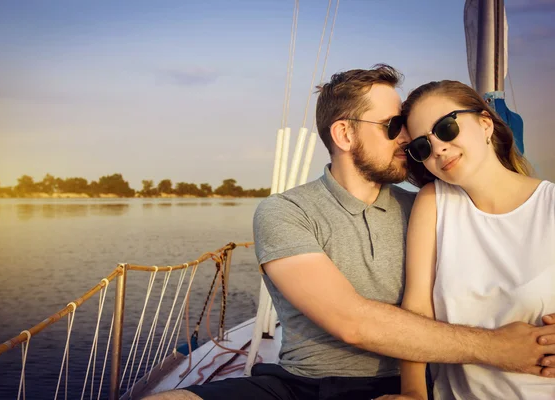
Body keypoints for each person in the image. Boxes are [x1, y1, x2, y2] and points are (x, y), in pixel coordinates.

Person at [144, 65, 555, 400]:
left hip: (406, 383)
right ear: (344, 134)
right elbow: (352, 321)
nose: (411, 139)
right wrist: (499, 347)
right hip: (303, 385)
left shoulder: (427, 207)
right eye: (395, 125)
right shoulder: (286, 212)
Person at [385, 80, 555, 400]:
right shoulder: (433, 201)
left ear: (485, 124)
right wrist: (413, 393)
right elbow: (417, 310)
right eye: (422, 146)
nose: (437, 149)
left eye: (446, 128)